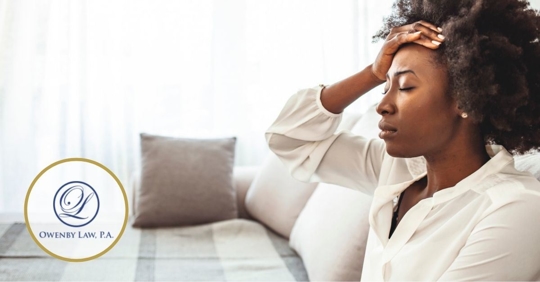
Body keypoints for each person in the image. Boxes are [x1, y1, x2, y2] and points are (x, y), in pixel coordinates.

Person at [265, 0, 540, 280]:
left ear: (465, 98)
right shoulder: (398, 170)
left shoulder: (513, 208)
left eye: (405, 86)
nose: (382, 105)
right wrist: (370, 73)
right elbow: (289, 139)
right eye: (384, 86)